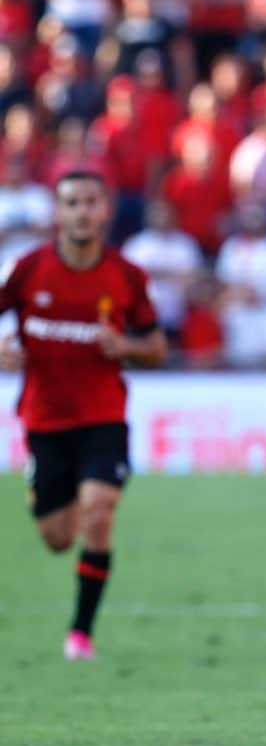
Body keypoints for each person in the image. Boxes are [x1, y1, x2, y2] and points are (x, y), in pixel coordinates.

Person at [0, 171, 167, 659]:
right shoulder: (28, 270)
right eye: (72, 203)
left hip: (102, 419)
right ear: (58, 212)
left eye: (91, 202)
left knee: (98, 514)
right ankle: (53, 493)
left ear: (105, 210)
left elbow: (156, 345)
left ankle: (80, 635)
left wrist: (126, 346)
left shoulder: (126, 275)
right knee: (56, 538)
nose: (82, 212)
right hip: (44, 420)